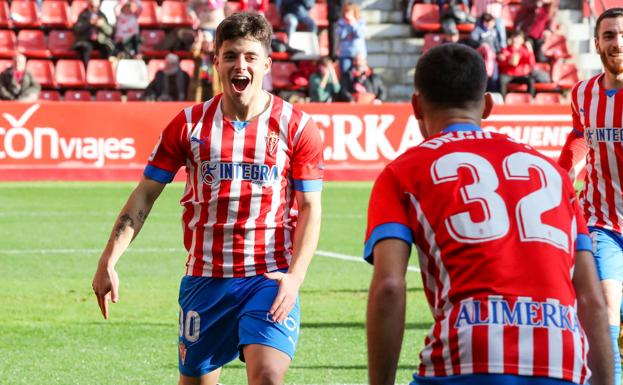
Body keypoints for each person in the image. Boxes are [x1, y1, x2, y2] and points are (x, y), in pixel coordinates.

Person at [92, 11, 323, 385]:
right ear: (216, 61)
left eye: (249, 56)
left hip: (268, 277)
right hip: (205, 280)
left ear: (266, 63)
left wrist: (295, 277)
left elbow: (311, 208)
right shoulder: (188, 125)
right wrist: (109, 259)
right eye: (230, 55)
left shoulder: (296, 126)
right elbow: (145, 196)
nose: (239, 65)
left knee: (267, 376)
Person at [365, 43, 613, 385]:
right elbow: (591, 298)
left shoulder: (403, 172)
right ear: (488, 105)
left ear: (416, 106)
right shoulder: (551, 173)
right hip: (563, 359)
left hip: (468, 355)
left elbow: (391, 286)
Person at [557, 7, 623, 385]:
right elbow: (580, 135)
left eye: (622, 34)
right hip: (602, 223)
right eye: (610, 35)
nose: (618, 43)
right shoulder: (583, 93)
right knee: (605, 311)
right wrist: (563, 172)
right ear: (596, 43)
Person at [73, 0, 115, 66]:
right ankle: (87, 70)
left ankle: (104, 68)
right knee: (85, 48)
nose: (94, 8)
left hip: (99, 41)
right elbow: (77, 30)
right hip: (86, 40)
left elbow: (110, 31)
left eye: (96, 7)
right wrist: (89, 23)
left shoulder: (102, 15)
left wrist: (102, 25)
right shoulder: (83, 15)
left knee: (106, 47)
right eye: (92, 6)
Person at [497, 30, 536, 97]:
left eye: (519, 38)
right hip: (507, 74)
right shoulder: (505, 50)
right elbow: (500, 63)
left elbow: (532, 63)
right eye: (515, 37)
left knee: (531, 80)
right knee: (501, 80)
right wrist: (508, 62)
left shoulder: (524, 51)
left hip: (521, 75)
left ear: (522, 41)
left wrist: (530, 51)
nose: (516, 40)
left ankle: (530, 100)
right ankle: (502, 102)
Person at [336, 1, 367, 75]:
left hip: (358, 54)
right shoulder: (341, 23)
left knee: (359, 74)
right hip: (345, 53)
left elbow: (360, 34)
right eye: (346, 12)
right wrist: (346, 26)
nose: (347, 14)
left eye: (349, 12)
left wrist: (353, 24)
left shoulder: (360, 23)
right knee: (346, 74)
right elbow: (341, 35)